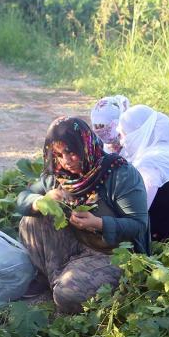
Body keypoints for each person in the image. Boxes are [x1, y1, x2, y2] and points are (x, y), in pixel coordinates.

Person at [16, 116, 150, 314]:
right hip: (75, 246)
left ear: (85, 145)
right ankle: (53, 277)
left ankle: (68, 285)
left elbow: (139, 225)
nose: (66, 161)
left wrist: (99, 223)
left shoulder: (118, 173)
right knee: (30, 220)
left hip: (111, 253)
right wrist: (41, 201)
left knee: (67, 294)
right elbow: (21, 200)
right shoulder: (59, 174)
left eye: (71, 153)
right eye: (58, 154)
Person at [116, 105, 169, 240]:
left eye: (123, 134)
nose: (121, 141)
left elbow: (137, 211)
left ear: (139, 133)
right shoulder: (165, 152)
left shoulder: (151, 163)